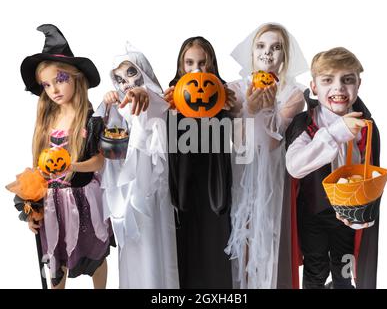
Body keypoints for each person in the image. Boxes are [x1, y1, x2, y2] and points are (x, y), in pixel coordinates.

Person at [20, 24, 114, 289]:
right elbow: (39, 167)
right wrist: (32, 206)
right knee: (56, 256)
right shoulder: (47, 119)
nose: (54, 90)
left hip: (83, 197)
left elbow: (99, 160)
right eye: (46, 85)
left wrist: (73, 165)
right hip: (53, 201)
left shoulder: (90, 118)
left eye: (60, 80)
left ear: (76, 78)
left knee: (95, 251)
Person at [285, 47, 381, 289]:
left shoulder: (368, 128)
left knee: (345, 272)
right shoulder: (306, 123)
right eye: (328, 80)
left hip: (349, 219)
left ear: (358, 85)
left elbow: (371, 177)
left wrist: (360, 217)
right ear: (314, 87)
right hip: (313, 213)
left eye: (347, 80)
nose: (338, 88)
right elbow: (295, 166)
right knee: (315, 270)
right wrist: (337, 133)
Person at [225, 23, 308, 289]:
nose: (268, 53)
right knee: (243, 228)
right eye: (261, 46)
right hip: (241, 169)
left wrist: (270, 107)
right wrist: (249, 108)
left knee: (267, 230)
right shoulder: (236, 88)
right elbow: (237, 142)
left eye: (276, 48)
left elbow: (274, 142)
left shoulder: (293, 94)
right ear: (252, 51)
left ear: (285, 55)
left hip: (272, 173)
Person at [96, 42, 179, 288]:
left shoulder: (156, 101)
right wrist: (107, 104)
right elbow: (103, 138)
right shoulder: (117, 109)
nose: (127, 83)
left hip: (151, 190)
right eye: (120, 79)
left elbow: (155, 106)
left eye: (131, 73)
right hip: (125, 192)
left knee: (154, 245)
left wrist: (145, 95)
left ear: (143, 72)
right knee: (131, 247)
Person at [164, 36, 235, 288]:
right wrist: (169, 111)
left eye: (202, 63)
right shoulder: (172, 94)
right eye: (190, 62)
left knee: (216, 242)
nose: (197, 69)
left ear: (212, 64)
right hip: (183, 178)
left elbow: (238, 137)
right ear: (181, 65)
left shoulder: (223, 92)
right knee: (186, 244)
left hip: (215, 177)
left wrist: (231, 110)